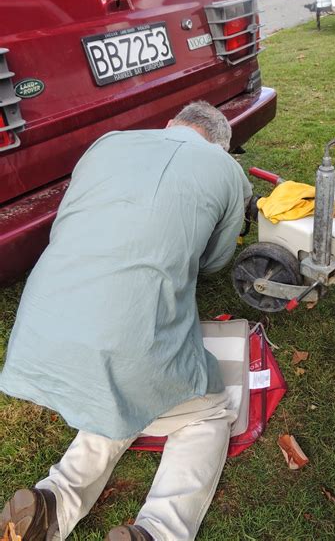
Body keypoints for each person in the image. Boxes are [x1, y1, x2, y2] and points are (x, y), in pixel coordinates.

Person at [0, 101, 252, 541]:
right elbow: (214, 262)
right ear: (221, 144)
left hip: (42, 329)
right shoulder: (227, 171)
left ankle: (50, 502)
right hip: (123, 343)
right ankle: (158, 530)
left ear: (170, 124)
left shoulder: (108, 143)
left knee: (117, 397)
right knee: (203, 414)